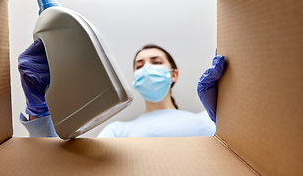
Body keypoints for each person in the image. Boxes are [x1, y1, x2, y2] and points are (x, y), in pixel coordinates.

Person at [18, 39, 225, 138]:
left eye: (156, 62)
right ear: (135, 78)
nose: (147, 68)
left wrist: (227, 114)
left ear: (173, 74)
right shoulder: (118, 131)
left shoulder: (207, 119)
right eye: (140, 65)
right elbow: (61, 173)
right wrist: (40, 114)